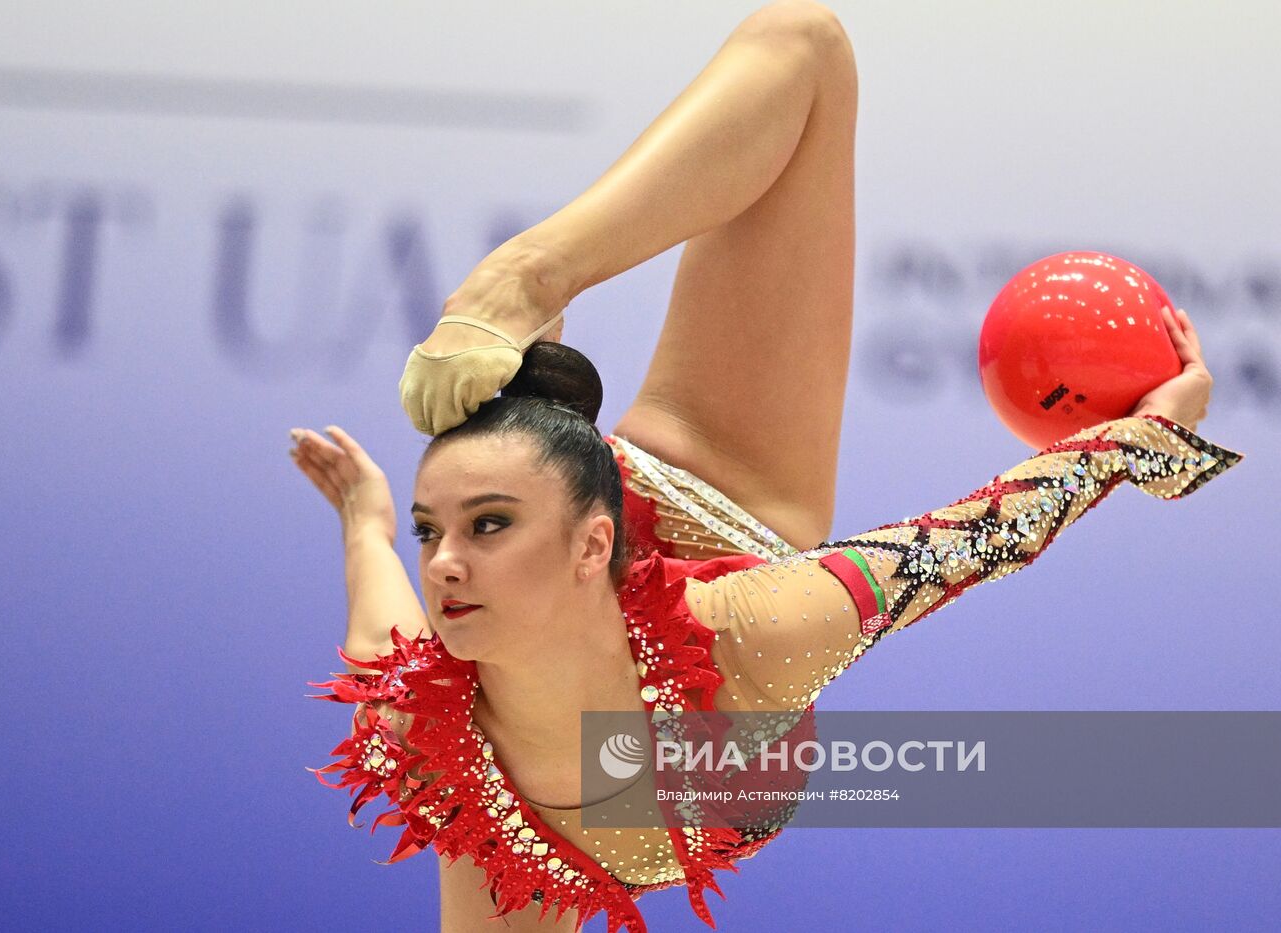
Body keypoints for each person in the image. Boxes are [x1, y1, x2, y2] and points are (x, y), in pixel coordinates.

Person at [290, 4, 1244, 931]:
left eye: (479, 524)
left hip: (698, 499)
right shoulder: (437, 738)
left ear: (592, 544)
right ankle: (519, 403)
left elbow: (978, 538)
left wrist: (1145, 440)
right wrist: (367, 521)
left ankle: (532, 279)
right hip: (607, 731)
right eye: (431, 532)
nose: (440, 561)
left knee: (804, 44)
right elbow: (386, 630)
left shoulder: (743, 632)